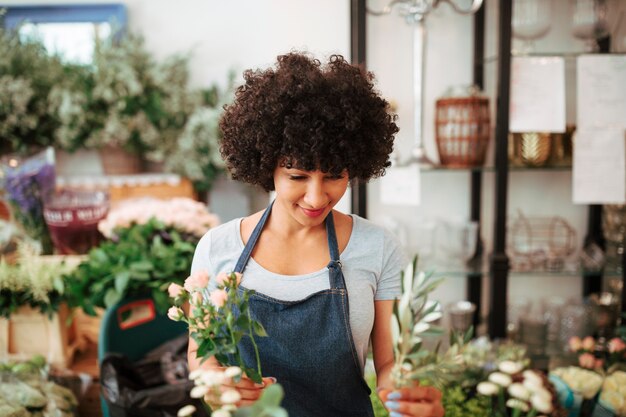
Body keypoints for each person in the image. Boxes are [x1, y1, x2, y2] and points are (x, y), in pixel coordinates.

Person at [188, 52, 444, 417]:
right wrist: (215, 384)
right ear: (267, 166)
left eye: (335, 176)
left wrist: (406, 395)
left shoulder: (377, 248)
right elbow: (201, 355)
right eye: (297, 176)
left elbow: (390, 365)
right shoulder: (217, 248)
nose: (316, 196)